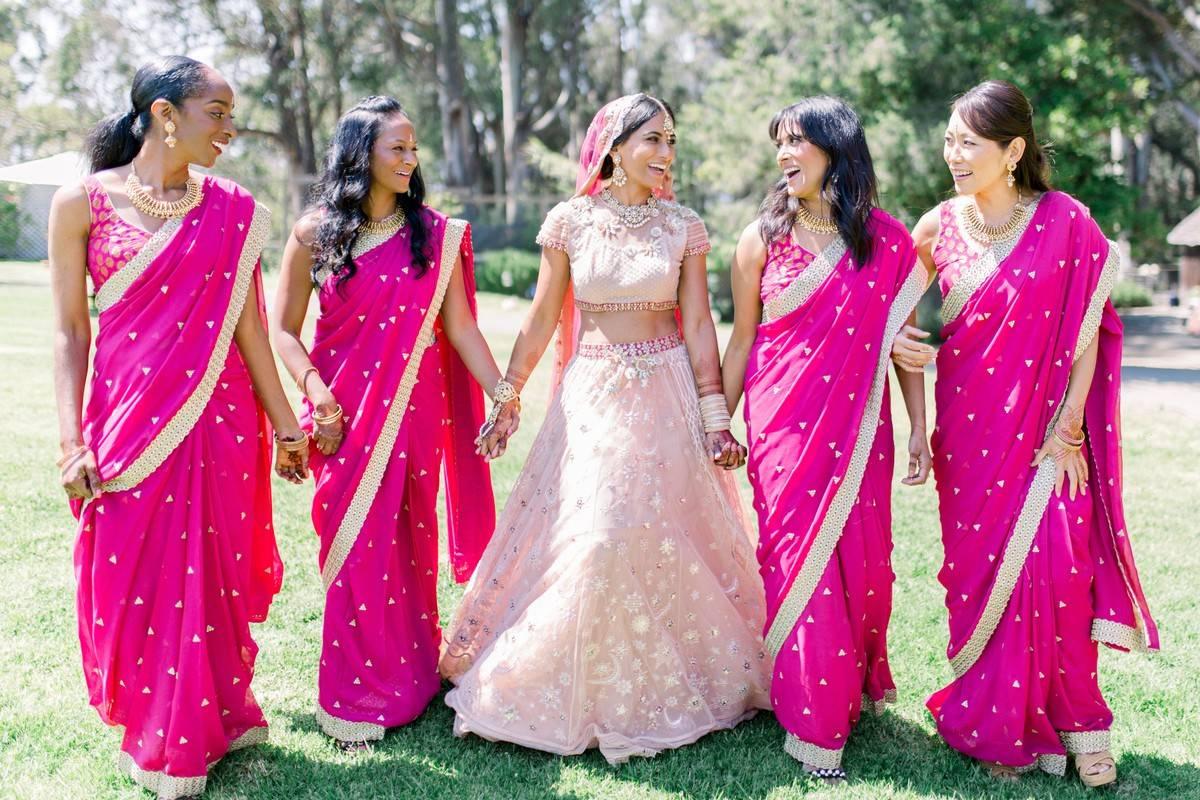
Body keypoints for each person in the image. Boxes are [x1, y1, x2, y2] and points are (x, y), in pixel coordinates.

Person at [440, 93, 770, 764]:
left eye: (672, 140)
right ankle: (565, 685)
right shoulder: (571, 221)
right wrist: (507, 396)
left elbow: (701, 323)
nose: (667, 154)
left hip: (667, 395)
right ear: (614, 147)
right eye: (653, 139)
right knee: (594, 537)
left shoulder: (683, 226)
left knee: (655, 535)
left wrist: (714, 415)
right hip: (589, 396)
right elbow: (539, 319)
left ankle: (659, 684)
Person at [48, 55, 305, 799]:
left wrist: (286, 428)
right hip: (127, 427)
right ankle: (151, 720)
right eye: (216, 112)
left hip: (219, 425)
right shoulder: (82, 203)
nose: (230, 128)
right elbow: (70, 333)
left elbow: (251, 332)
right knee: (132, 575)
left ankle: (196, 729)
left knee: (210, 576)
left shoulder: (234, 210)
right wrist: (71, 442)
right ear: (165, 114)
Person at [892, 80, 1159, 787]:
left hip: (1049, 440)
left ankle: (1081, 725)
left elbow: (1092, 333)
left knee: (1059, 573)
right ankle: (996, 724)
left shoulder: (1067, 220)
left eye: (968, 143)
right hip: (970, 438)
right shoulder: (934, 227)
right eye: (949, 140)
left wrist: (1070, 423)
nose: (953, 154)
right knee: (982, 581)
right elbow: (893, 320)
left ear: (1012, 151)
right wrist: (909, 382)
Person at [271, 95, 515, 749]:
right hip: (342, 419)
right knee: (354, 551)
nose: (410, 159)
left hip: (413, 419)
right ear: (361, 155)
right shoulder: (315, 232)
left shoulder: (433, 235)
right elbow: (282, 331)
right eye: (396, 148)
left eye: (413, 148)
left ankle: (409, 682)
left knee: (408, 545)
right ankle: (351, 696)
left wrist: (503, 392)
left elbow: (460, 327)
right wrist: (317, 395)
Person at [721, 97, 931, 781]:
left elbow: (902, 346)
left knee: (864, 570)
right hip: (783, 426)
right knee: (797, 563)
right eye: (778, 143)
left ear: (838, 150)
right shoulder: (760, 239)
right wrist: (716, 419)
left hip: (862, 430)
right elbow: (743, 340)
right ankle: (813, 723)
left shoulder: (888, 241)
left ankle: (846, 684)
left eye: (798, 142)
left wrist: (919, 427)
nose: (784, 155)